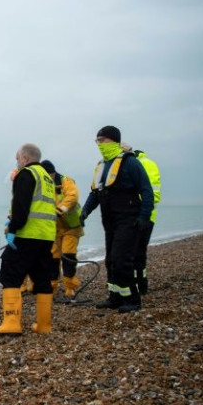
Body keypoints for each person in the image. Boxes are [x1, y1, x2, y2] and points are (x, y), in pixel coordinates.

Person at [81, 126, 154, 313]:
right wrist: (83, 214)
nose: (99, 144)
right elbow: (95, 194)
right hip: (110, 221)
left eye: (102, 140)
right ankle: (115, 297)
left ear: (113, 140)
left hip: (129, 219)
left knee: (122, 260)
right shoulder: (102, 166)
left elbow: (147, 191)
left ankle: (132, 300)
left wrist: (144, 217)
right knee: (111, 260)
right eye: (97, 141)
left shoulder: (130, 163)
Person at [0, 143, 57, 335]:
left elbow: (21, 207)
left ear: (25, 158)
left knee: (9, 272)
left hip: (27, 235)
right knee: (41, 278)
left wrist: (12, 228)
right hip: (46, 235)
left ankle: (11, 322)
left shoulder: (26, 174)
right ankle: (44, 325)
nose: (17, 163)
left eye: (17, 159)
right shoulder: (47, 178)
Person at [40, 160, 85, 298]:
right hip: (53, 228)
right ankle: (52, 285)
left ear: (52, 173)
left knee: (68, 254)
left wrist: (60, 209)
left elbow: (73, 196)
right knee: (53, 257)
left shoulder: (66, 181)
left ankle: (70, 286)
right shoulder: (41, 185)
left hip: (71, 226)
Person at [122, 143, 162, 295]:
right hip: (147, 216)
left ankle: (138, 287)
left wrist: (132, 207)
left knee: (134, 254)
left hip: (141, 216)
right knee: (138, 253)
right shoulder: (148, 163)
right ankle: (140, 285)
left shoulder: (139, 164)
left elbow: (151, 194)